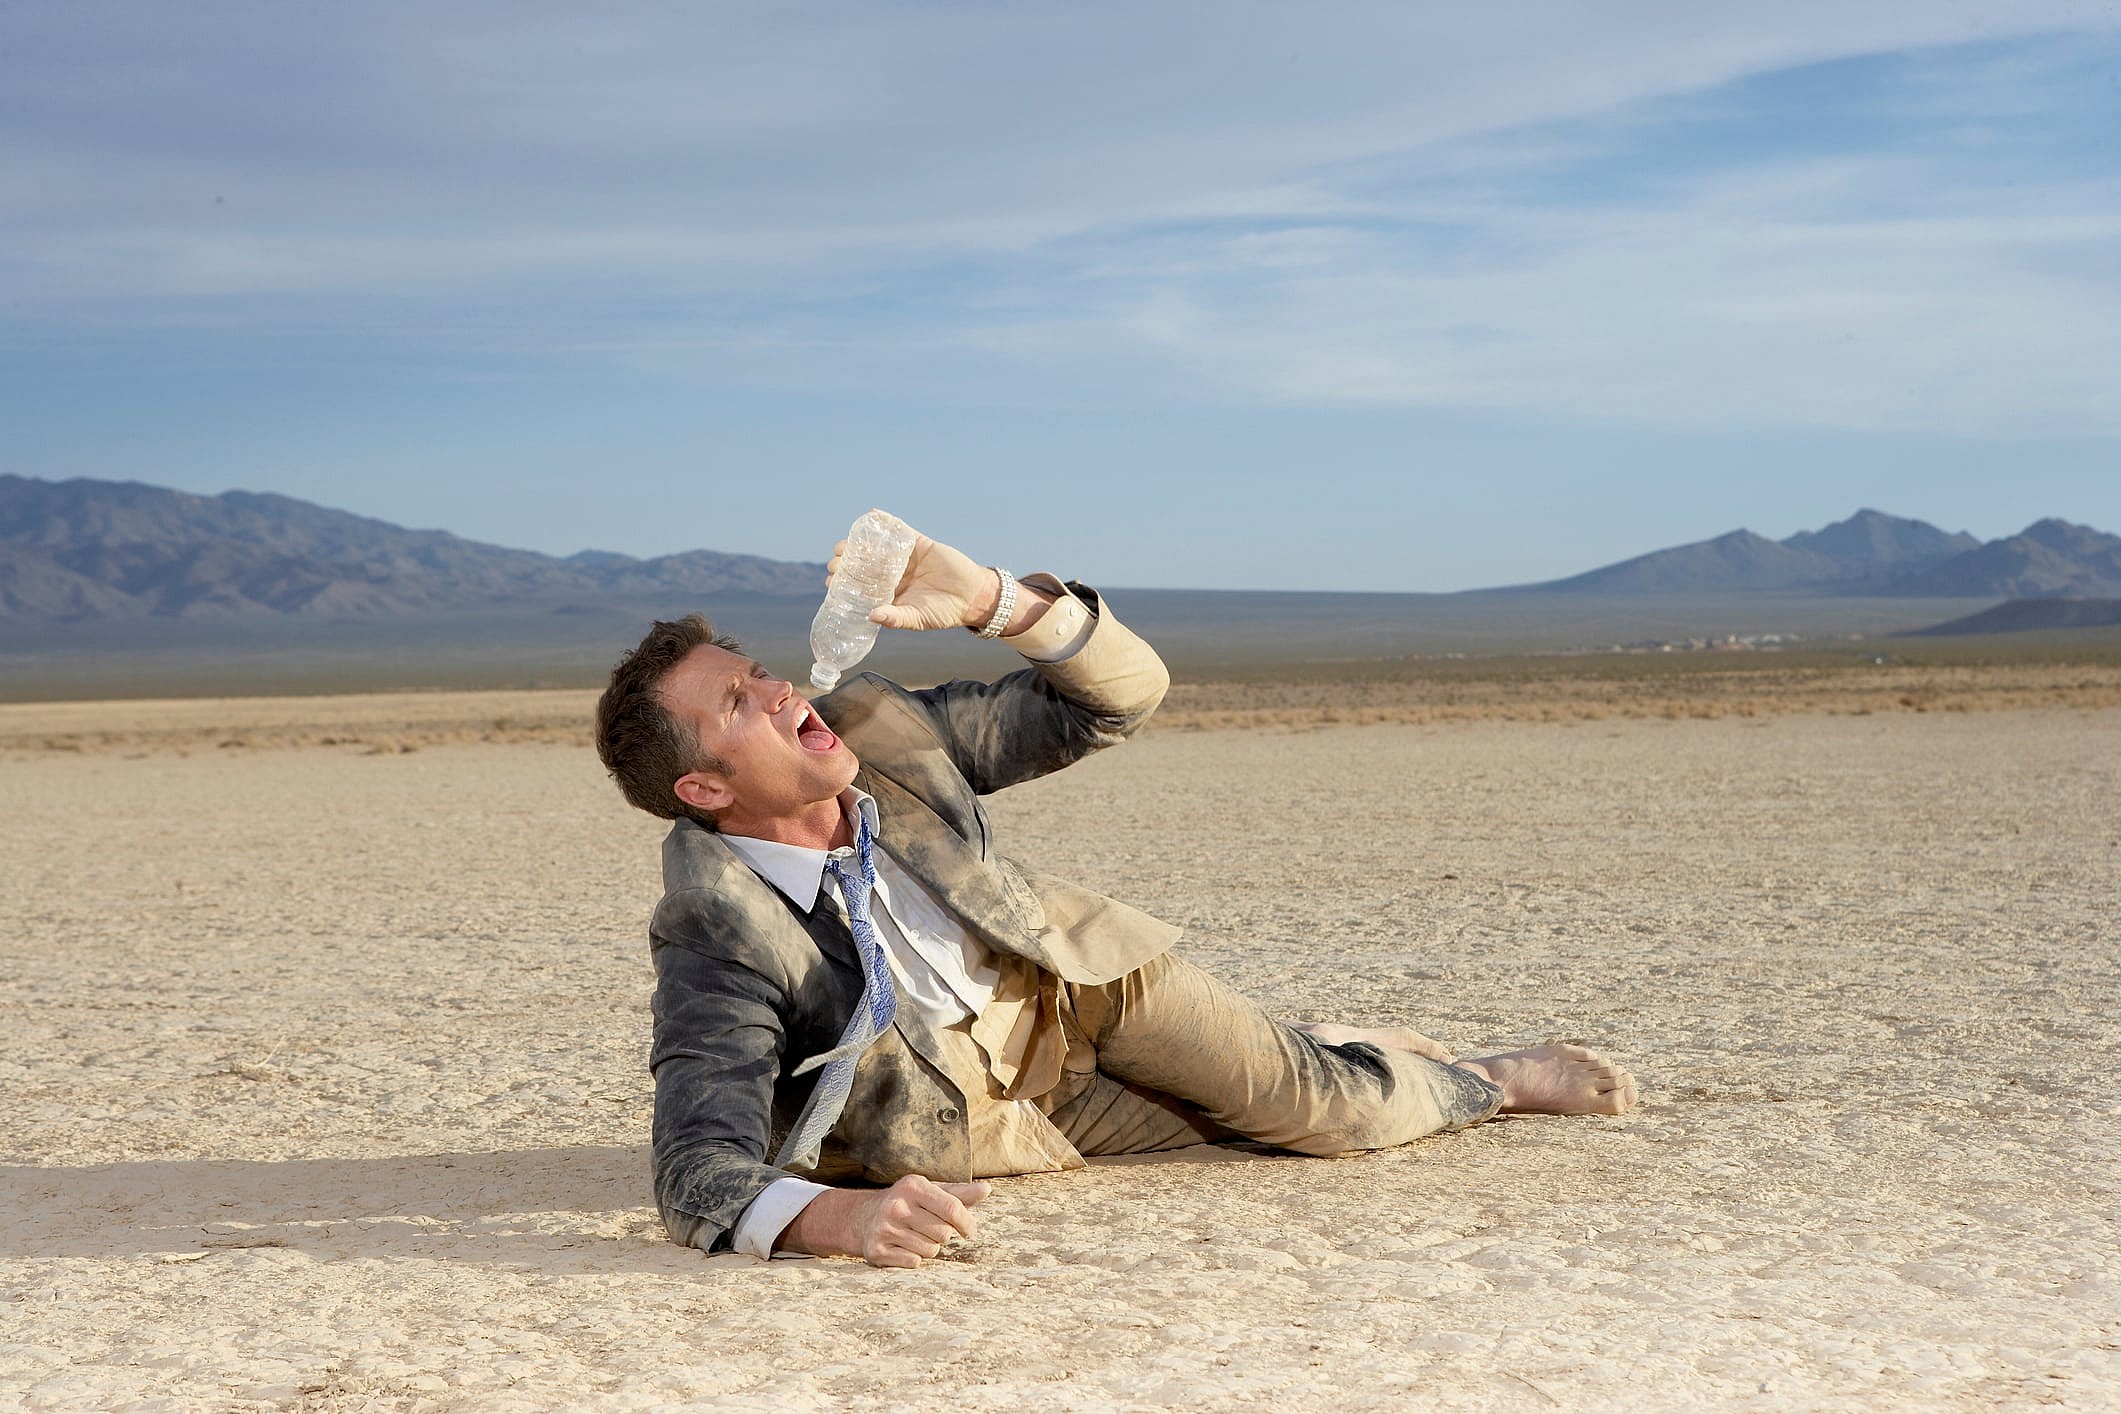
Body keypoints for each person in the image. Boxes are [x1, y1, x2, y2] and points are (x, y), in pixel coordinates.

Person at [594, 523, 1638, 1268]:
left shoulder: (884, 738)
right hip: (984, 1107)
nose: (782, 690)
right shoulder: (716, 926)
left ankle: (1489, 1079)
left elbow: (1120, 700)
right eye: (739, 701)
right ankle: (1328, 1041)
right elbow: (697, 1170)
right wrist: (844, 1221)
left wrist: (993, 602)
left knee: (1325, 1111)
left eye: (763, 670)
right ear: (704, 787)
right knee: (1243, 1133)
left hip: (1075, 985)